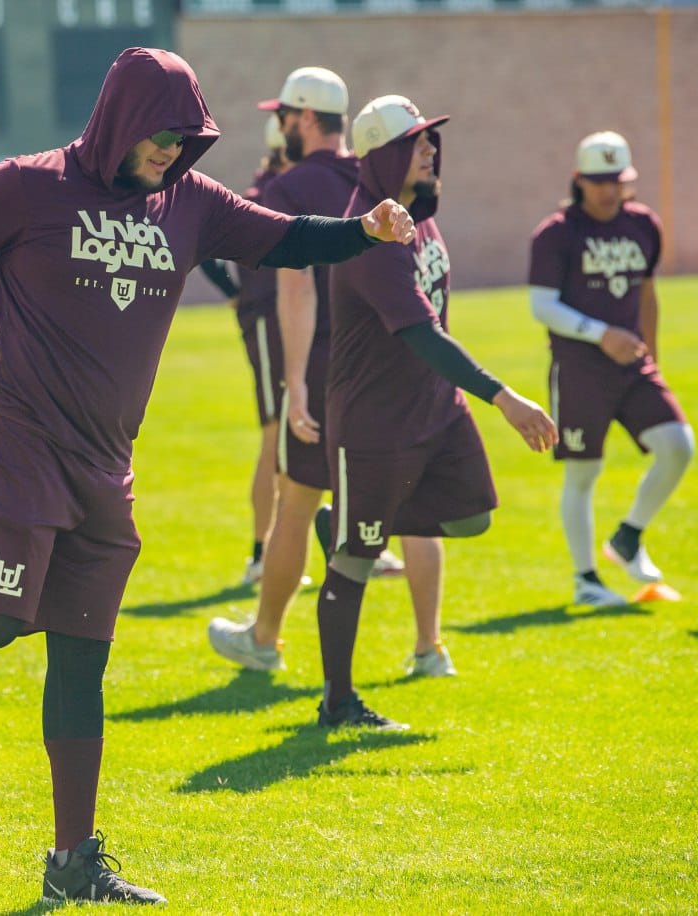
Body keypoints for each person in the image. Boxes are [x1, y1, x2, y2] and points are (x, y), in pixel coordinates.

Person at [0, 48, 416, 904]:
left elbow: (285, 239)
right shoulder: (26, 185)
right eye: (161, 135)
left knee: (81, 659)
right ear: (119, 117)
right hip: (23, 437)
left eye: (187, 138)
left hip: (105, 465)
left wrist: (364, 231)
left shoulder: (188, 201)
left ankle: (74, 862)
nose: (171, 151)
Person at [318, 95, 557, 730]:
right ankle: (338, 704)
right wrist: (505, 397)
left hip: (435, 410)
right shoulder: (370, 236)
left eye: (430, 141)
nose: (430, 150)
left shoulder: (419, 218)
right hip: (374, 425)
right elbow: (421, 332)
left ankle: (345, 527)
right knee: (356, 561)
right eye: (417, 142)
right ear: (386, 155)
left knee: (474, 515)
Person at [209, 67, 452, 678]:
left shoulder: (292, 186)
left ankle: (263, 639)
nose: (281, 126)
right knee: (417, 506)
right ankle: (430, 648)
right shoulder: (381, 177)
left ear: (305, 118)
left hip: (324, 362)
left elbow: (297, 294)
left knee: (296, 504)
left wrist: (294, 382)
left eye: (286, 115)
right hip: (392, 360)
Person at [528, 131, 693, 607]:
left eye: (616, 180)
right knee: (583, 472)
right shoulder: (557, 232)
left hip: (633, 366)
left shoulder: (644, 224)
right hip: (580, 369)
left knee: (677, 446)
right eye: (598, 181)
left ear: (629, 181)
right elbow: (542, 305)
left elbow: (646, 292)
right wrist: (601, 333)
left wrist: (651, 355)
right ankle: (587, 580)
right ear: (579, 180)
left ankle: (628, 537)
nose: (608, 190)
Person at [199, 113, 290, 585]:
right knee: (275, 435)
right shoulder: (260, 198)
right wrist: (235, 294)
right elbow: (202, 244)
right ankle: (260, 553)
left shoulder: (294, 190)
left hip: (294, 323)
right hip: (269, 321)